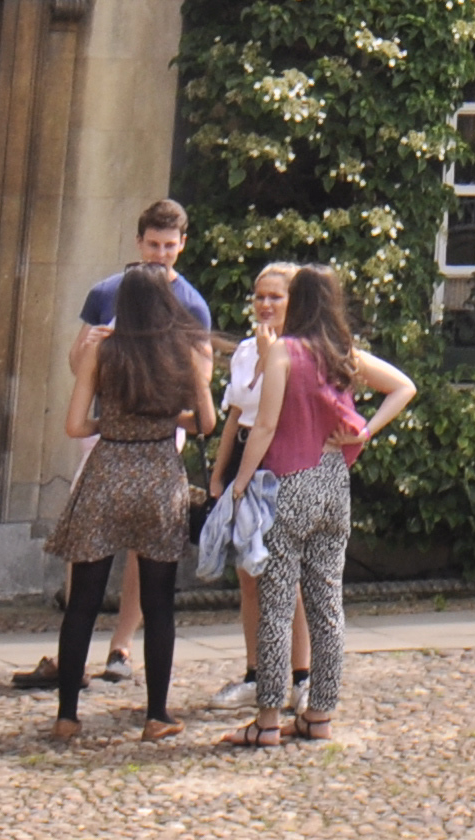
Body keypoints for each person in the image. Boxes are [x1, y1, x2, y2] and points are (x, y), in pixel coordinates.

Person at [25, 200, 218, 693]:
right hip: (117, 438)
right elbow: (78, 363)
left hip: (139, 439)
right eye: (153, 245)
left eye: (169, 247)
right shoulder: (107, 292)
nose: (160, 254)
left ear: (182, 245)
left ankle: (121, 646)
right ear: (138, 243)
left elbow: (200, 379)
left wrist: (136, 409)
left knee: (143, 552)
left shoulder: (192, 303)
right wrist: (93, 355)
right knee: (88, 546)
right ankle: (89, 665)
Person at [220, 264, 411, 749]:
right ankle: (320, 713)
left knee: (277, 605)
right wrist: (365, 431)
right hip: (333, 483)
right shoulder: (342, 353)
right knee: (328, 606)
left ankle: (266, 719)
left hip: (290, 482)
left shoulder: (285, 351)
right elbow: (404, 387)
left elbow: (262, 426)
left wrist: (239, 484)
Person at [204, 262, 305, 709]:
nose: (265, 305)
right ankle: (256, 672)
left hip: (280, 463)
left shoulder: (299, 351)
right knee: (249, 574)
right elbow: (236, 415)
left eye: (275, 297)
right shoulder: (246, 349)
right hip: (245, 458)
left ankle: (301, 677)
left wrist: (270, 357)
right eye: (260, 296)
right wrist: (217, 476)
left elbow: (275, 409)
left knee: (288, 576)